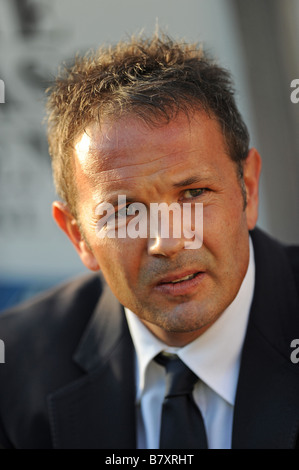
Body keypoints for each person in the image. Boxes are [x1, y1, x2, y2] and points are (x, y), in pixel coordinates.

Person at [0, 33, 299, 450]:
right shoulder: (14, 369)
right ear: (77, 235)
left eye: (193, 194)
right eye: (124, 211)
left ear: (247, 187)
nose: (169, 242)